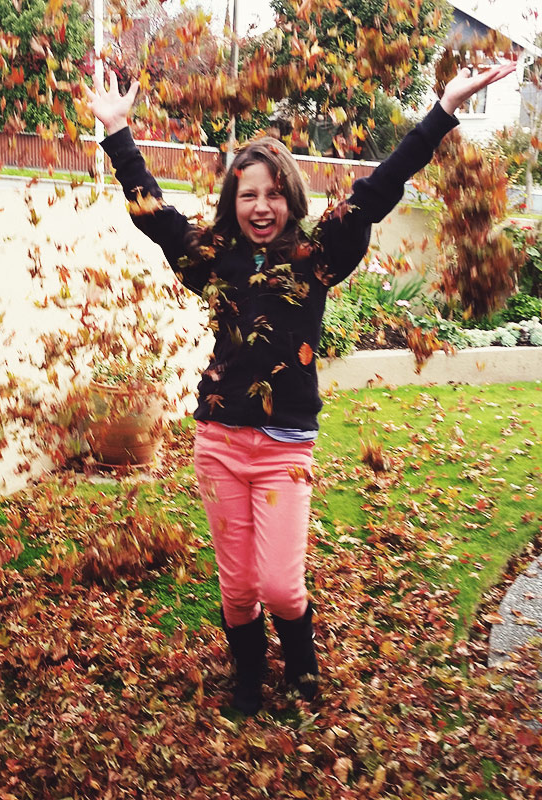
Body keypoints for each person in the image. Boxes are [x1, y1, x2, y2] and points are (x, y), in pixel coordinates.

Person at [85, 62, 515, 714]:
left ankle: (303, 669)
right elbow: (155, 214)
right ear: (233, 200)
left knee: (282, 588)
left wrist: (444, 109)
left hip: (285, 448)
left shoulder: (318, 256)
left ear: (291, 198)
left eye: (273, 194)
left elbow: (378, 188)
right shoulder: (214, 260)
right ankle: (251, 681)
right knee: (237, 589)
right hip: (219, 442)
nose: (261, 207)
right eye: (247, 194)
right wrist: (117, 131)